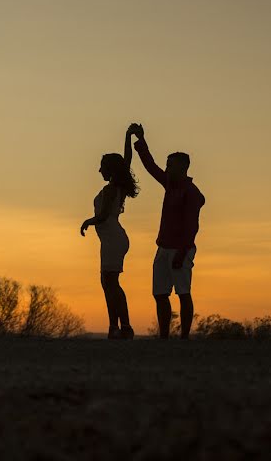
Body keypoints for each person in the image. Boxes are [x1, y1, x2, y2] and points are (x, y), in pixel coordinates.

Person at [129, 123, 205, 339]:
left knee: (183, 292)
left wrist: (181, 253)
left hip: (181, 250)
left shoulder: (190, 192)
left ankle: (184, 337)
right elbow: (150, 166)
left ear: (183, 168)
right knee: (160, 294)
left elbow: (192, 227)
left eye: (170, 165)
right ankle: (164, 336)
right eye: (167, 165)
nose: (167, 169)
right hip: (163, 247)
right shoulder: (169, 184)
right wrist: (141, 141)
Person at [81, 127, 139, 339]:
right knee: (108, 283)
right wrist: (127, 135)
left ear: (110, 170)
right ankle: (115, 327)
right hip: (113, 238)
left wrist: (88, 221)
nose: (99, 170)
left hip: (113, 238)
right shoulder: (118, 186)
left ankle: (123, 327)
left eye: (102, 167)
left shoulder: (111, 189)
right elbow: (127, 161)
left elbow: (104, 215)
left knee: (110, 283)